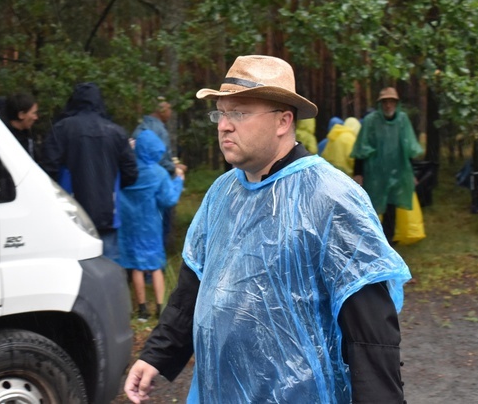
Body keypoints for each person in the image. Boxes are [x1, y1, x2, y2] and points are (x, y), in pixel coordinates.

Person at [124, 55, 411, 403]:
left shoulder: (330, 198)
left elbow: (371, 330)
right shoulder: (222, 194)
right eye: (221, 113)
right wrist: (156, 354)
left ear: (283, 120)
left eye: (239, 113)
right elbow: (193, 289)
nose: (224, 125)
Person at [42, 82, 138, 260]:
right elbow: (131, 174)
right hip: (108, 212)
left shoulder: (62, 129)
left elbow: (48, 172)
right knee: (108, 265)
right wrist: (110, 186)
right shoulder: (115, 132)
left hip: (71, 213)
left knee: (74, 267)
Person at [117, 130, 185, 321]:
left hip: (130, 224)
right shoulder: (159, 173)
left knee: (136, 265)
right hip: (150, 224)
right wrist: (179, 180)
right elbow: (168, 199)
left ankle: (142, 310)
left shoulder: (127, 169)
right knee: (155, 266)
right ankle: (160, 307)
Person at [351, 88, 424, 244]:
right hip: (374, 171)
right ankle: (370, 238)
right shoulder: (371, 121)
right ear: (380, 104)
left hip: (397, 169)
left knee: (392, 203)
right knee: (371, 204)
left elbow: (408, 147)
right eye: (385, 102)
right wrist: (358, 172)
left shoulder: (403, 120)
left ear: (396, 104)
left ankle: (388, 239)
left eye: (391, 102)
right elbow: (362, 148)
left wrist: (412, 173)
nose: (388, 105)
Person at [132, 98, 188, 251]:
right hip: (157, 188)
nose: (170, 113)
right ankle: (159, 256)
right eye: (169, 109)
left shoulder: (140, 128)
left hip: (138, 187)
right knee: (160, 223)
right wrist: (176, 168)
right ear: (161, 110)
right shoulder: (159, 130)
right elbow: (160, 159)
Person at [4, 93, 40, 160]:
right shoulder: (4, 139)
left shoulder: (29, 133)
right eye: (34, 113)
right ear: (21, 115)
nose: (36, 117)